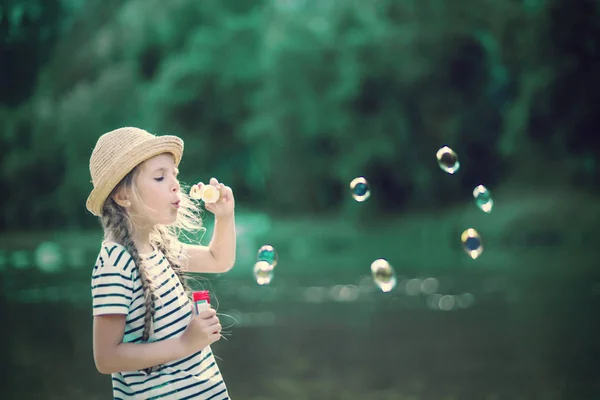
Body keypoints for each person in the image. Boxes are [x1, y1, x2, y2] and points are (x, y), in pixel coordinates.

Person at [87, 127, 236, 399]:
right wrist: (185, 343)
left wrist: (225, 217)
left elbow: (219, 259)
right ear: (123, 196)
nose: (175, 184)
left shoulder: (161, 248)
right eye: (159, 176)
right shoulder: (116, 263)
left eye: (174, 175)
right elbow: (106, 357)